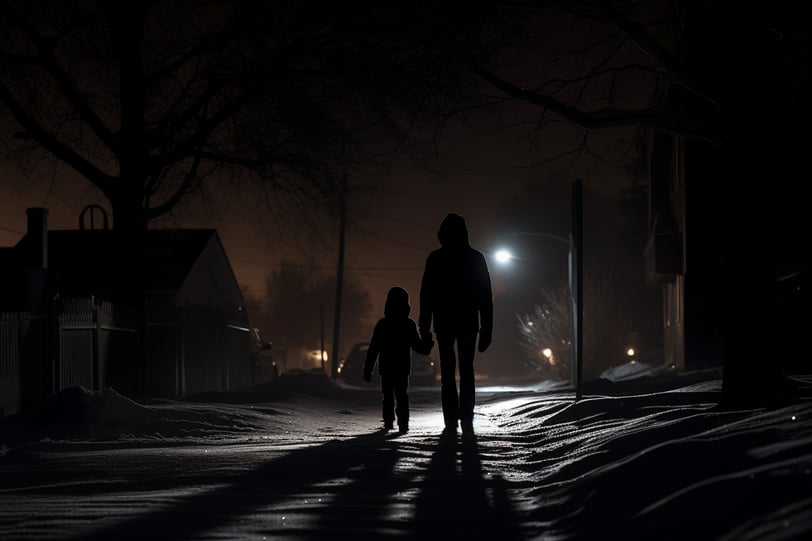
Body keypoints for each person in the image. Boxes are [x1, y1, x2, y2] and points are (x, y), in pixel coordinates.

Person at [419, 213, 493, 435]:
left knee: (448, 370)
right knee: (466, 369)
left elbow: (427, 296)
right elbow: (485, 297)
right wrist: (487, 328)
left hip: (444, 323)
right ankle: (465, 417)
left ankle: (451, 417)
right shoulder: (475, 258)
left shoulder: (435, 258)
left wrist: (424, 327)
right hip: (467, 322)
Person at [363, 286, 433, 434]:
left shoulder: (382, 324)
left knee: (388, 396)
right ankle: (403, 424)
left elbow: (373, 349)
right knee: (402, 395)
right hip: (402, 367)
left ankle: (389, 422)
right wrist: (428, 344)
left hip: (386, 367)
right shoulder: (408, 324)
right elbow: (418, 347)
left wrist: (368, 369)